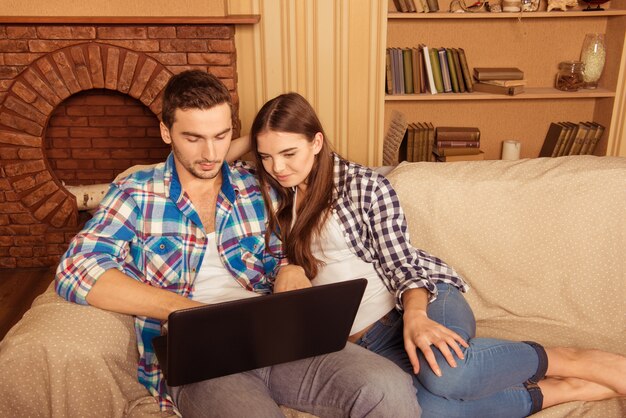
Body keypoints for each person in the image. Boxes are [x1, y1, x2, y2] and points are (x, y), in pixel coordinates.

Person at [55, 71, 423, 417]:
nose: (210, 154)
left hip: (274, 337)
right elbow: (77, 270)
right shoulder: (136, 193)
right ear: (166, 131)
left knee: (387, 387)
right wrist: (187, 312)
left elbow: (285, 240)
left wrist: (289, 268)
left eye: (221, 136)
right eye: (193, 138)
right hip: (201, 356)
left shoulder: (254, 185)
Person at [248, 92, 626, 418]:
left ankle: (573, 359)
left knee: (448, 373)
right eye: (265, 156)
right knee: (424, 410)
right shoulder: (266, 190)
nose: (278, 167)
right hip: (362, 342)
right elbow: (216, 159)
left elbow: (403, 264)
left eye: (288, 152)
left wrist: (416, 316)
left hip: (421, 298)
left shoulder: (364, 187)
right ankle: (558, 391)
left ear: (317, 142)